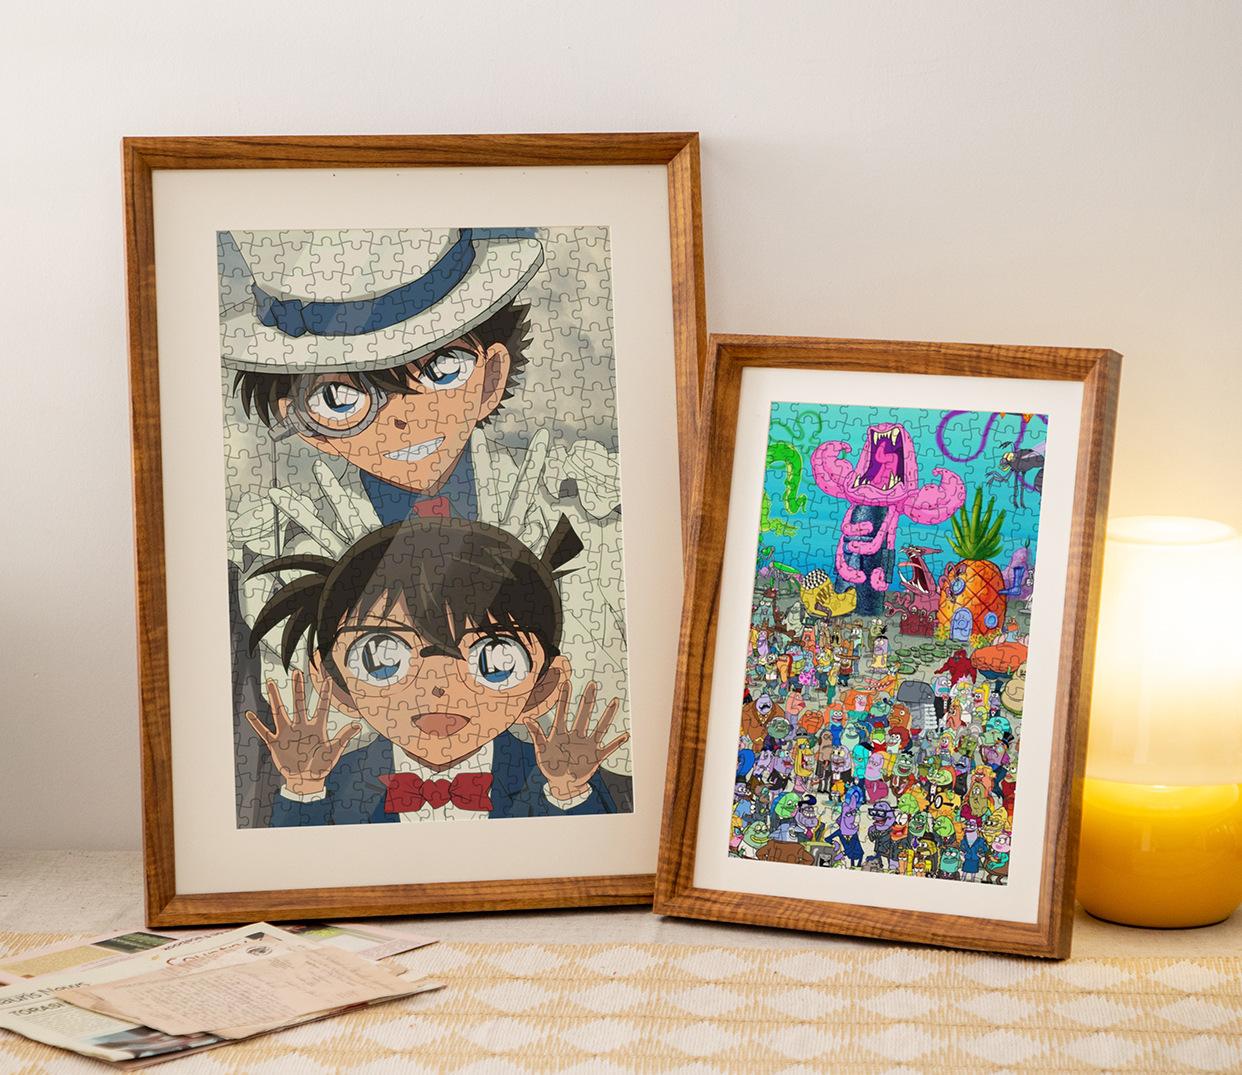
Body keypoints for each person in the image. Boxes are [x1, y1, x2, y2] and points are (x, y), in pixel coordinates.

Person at [217, 228, 630, 822]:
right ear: (300, 419)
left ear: (490, 378)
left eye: (440, 369)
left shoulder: (586, 508)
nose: (406, 419)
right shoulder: (270, 554)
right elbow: (292, 751)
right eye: (341, 396)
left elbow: (623, 726)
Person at [243, 514, 630, 824]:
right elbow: (300, 870)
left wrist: (567, 793)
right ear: (334, 681)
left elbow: (589, 865)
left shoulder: (557, 775)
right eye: (382, 658)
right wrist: (304, 788)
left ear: (543, 687)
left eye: (495, 660)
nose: (438, 686)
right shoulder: (338, 779)